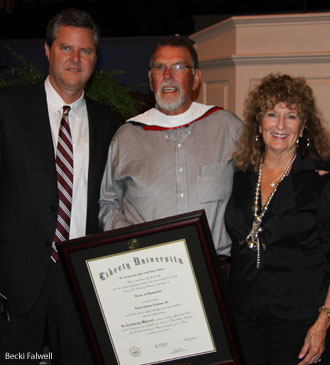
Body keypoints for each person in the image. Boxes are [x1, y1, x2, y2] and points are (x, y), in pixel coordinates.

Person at [0, 8, 119, 364]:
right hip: (14, 284)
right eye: (66, 48)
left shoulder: (111, 124)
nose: (75, 58)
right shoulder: (6, 109)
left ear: (95, 58)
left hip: (82, 281)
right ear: (48, 50)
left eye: (85, 51)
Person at [99, 36, 242, 263]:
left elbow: (265, 176)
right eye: (159, 67)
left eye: (178, 67)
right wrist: (133, 240)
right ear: (150, 79)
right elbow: (108, 204)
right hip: (152, 272)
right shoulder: (127, 137)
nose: (168, 76)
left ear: (195, 78)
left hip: (215, 270)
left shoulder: (228, 128)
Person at [225, 73, 330, 364]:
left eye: (291, 116)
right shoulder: (241, 174)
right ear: (259, 122)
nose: (281, 125)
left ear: (303, 125)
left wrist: (323, 321)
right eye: (272, 114)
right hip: (243, 315)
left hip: (298, 320)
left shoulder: (319, 180)